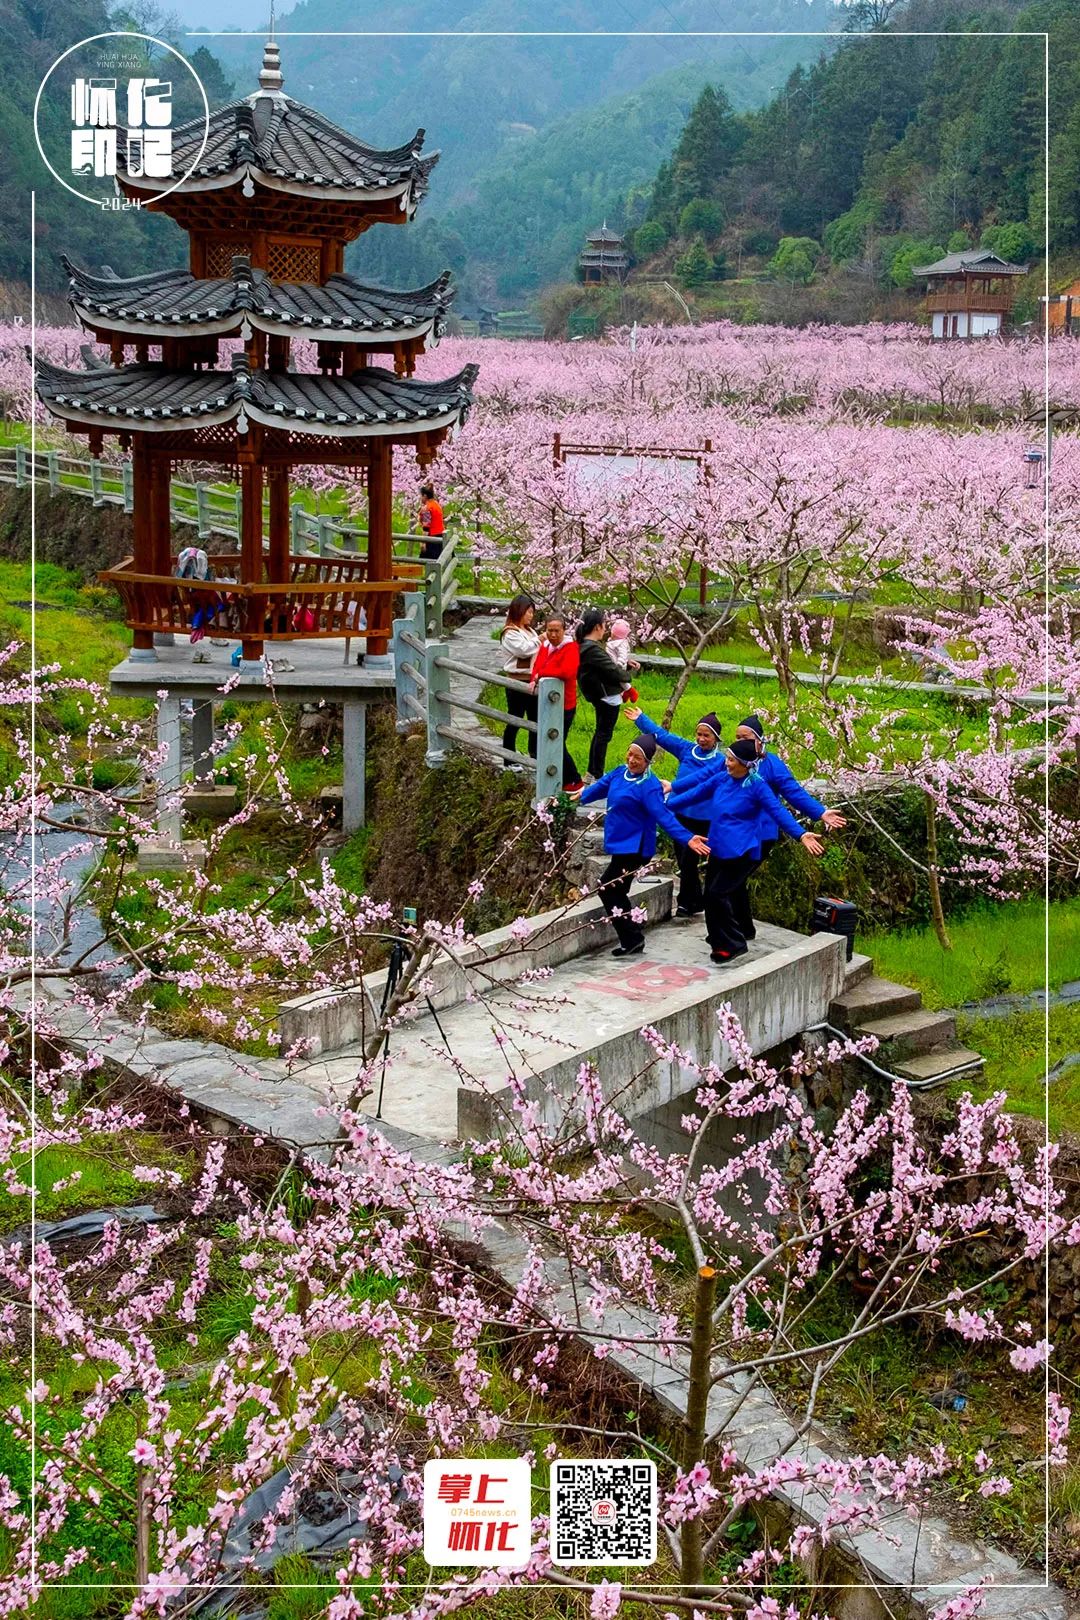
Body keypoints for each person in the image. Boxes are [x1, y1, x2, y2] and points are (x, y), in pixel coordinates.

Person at [571, 733, 710, 956]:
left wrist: (688, 837)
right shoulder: (619, 773)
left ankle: (632, 937)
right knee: (619, 889)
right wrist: (582, 795)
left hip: (636, 847)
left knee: (607, 887)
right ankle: (632, 931)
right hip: (619, 843)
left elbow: (664, 817)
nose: (632, 760)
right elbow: (601, 786)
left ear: (648, 762)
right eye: (630, 754)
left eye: (639, 757)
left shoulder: (649, 786)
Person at [703, 737, 824, 965]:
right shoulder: (723, 778)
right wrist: (662, 801)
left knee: (718, 893)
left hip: (745, 848)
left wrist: (802, 832)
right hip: (719, 845)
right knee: (712, 893)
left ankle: (734, 942)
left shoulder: (759, 782)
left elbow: (781, 809)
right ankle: (723, 938)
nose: (726, 762)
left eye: (730, 759)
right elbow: (696, 788)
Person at [732, 714, 848, 940]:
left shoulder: (771, 765)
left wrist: (820, 812)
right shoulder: (734, 761)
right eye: (736, 738)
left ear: (759, 740)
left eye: (745, 738)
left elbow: (793, 792)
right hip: (735, 832)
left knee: (732, 880)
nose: (739, 742)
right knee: (733, 882)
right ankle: (742, 928)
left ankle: (740, 931)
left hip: (761, 834)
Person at [625, 706, 724, 918]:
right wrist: (641, 719)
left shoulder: (721, 761)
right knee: (685, 862)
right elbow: (662, 736)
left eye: (706, 735)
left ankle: (698, 901)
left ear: (716, 738)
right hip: (681, 815)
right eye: (699, 734)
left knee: (706, 862)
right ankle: (690, 902)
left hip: (707, 819)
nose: (701, 739)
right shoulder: (686, 749)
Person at [531, 613, 582, 790]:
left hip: (565, 704)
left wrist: (541, 674)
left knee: (557, 741)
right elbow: (537, 665)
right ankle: (559, 777)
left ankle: (573, 779)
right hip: (546, 702)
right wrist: (535, 677)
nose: (553, 634)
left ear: (564, 630)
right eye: (549, 630)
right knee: (546, 739)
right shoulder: (545, 646)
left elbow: (566, 672)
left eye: (557, 631)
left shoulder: (571, 648)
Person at [575, 608, 627, 782]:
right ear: (597, 627)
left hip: (599, 696)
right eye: (604, 625)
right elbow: (613, 671)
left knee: (601, 733)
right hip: (608, 697)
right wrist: (627, 675)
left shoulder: (585, 647)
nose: (605, 629)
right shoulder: (593, 649)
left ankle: (592, 772)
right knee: (604, 735)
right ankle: (597, 773)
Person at [500, 594, 541, 762]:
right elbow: (523, 650)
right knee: (515, 719)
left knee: (535, 720)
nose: (531, 616)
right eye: (528, 612)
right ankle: (508, 758)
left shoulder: (530, 631)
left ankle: (535, 755)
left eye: (532, 612)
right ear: (519, 611)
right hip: (517, 681)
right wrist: (541, 639)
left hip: (533, 680)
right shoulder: (510, 633)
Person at [606, 617, 640, 702]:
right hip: (614, 665)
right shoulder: (614, 642)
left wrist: (619, 664)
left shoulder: (621, 644)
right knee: (619, 682)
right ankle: (625, 693)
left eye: (612, 632)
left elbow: (623, 655)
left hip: (618, 666)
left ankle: (631, 691)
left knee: (620, 680)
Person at [417, 483, 445, 560]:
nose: (420, 498)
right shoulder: (436, 505)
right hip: (440, 536)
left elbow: (426, 527)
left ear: (425, 496)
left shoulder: (427, 508)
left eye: (421, 496)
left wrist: (423, 543)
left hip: (432, 537)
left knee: (429, 563)